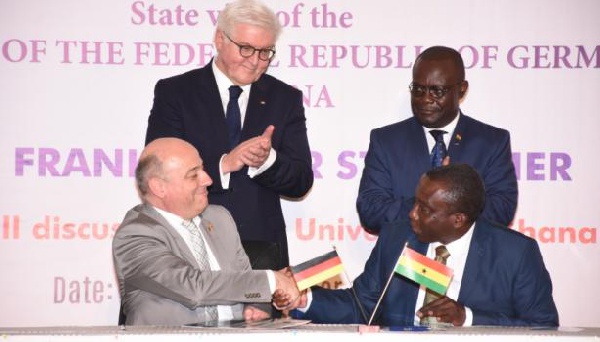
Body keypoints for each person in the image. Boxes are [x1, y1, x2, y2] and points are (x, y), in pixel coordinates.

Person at [144, 0, 313, 268]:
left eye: (265, 52)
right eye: (246, 49)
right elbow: (156, 170)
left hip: (260, 251)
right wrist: (225, 163)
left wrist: (266, 161)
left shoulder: (285, 99)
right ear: (220, 39)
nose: (255, 61)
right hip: (188, 246)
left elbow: (301, 181)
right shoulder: (175, 93)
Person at [281, 164, 558, 327]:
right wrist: (306, 299)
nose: (412, 213)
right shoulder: (397, 237)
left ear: (458, 219)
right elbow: (362, 306)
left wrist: (468, 317)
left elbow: (543, 327)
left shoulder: (516, 253)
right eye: (415, 202)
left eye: (425, 210)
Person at [112, 137, 299, 325]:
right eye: (193, 175)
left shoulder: (220, 218)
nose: (208, 180)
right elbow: (193, 287)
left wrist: (258, 305)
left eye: (203, 169)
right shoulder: (135, 234)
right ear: (159, 187)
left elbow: (245, 281)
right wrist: (271, 281)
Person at [357, 46, 518, 234]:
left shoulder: (491, 142)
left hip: (468, 261)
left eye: (437, 91)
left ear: (462, 90)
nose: (425, 99)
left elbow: (502, 209)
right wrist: (430, 204)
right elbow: (371, 211)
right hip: (404, 259)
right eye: (418, 89)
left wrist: (446, 201)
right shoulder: (386, 141)